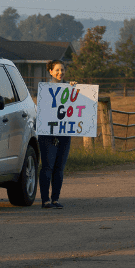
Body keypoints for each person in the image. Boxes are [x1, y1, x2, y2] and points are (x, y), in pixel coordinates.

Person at [39, 59, 76, 209]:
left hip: (64, 133)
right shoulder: (46, 89)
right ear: (50, 72)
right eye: (57, 70)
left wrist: (74, 88)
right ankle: (45, 200)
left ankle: (55, 199)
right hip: (48, 134)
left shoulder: (69, 87)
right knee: (48, 166)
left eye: (63, 70)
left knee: (59, 167)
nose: (60, 73)